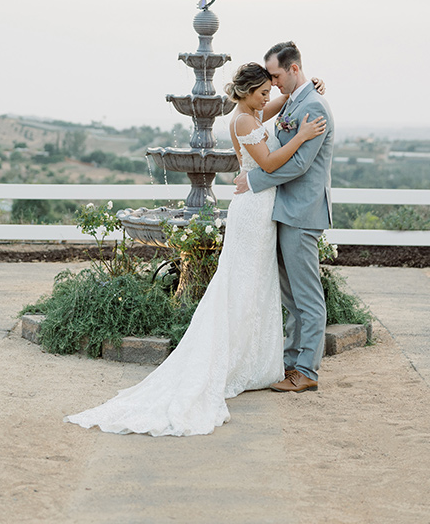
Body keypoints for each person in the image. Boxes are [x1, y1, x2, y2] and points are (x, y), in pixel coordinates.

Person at [63, 63, 326, 437]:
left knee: (257, 286)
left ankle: (252, 362)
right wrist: (300, 137)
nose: (269, 96)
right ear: (249, 92)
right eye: (263, 92)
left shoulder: (254, 112)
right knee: (241, 285)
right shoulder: (244, 122)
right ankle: (232, 361)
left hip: (261, 208)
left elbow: (283, 101)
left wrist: (308, 86)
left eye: (270, 91)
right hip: (252, 211)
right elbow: (267, 162)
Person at [234, 43, 334, 393]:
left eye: (276, 75)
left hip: (301, 213)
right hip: (280, 211)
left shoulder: (314, 106)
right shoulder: (294, 101)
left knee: (307, 297)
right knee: (292, 298)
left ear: (293, 69)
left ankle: (306, 371)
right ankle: (291, 364)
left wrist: (254, 180)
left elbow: (300, 164)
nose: (272, 84)